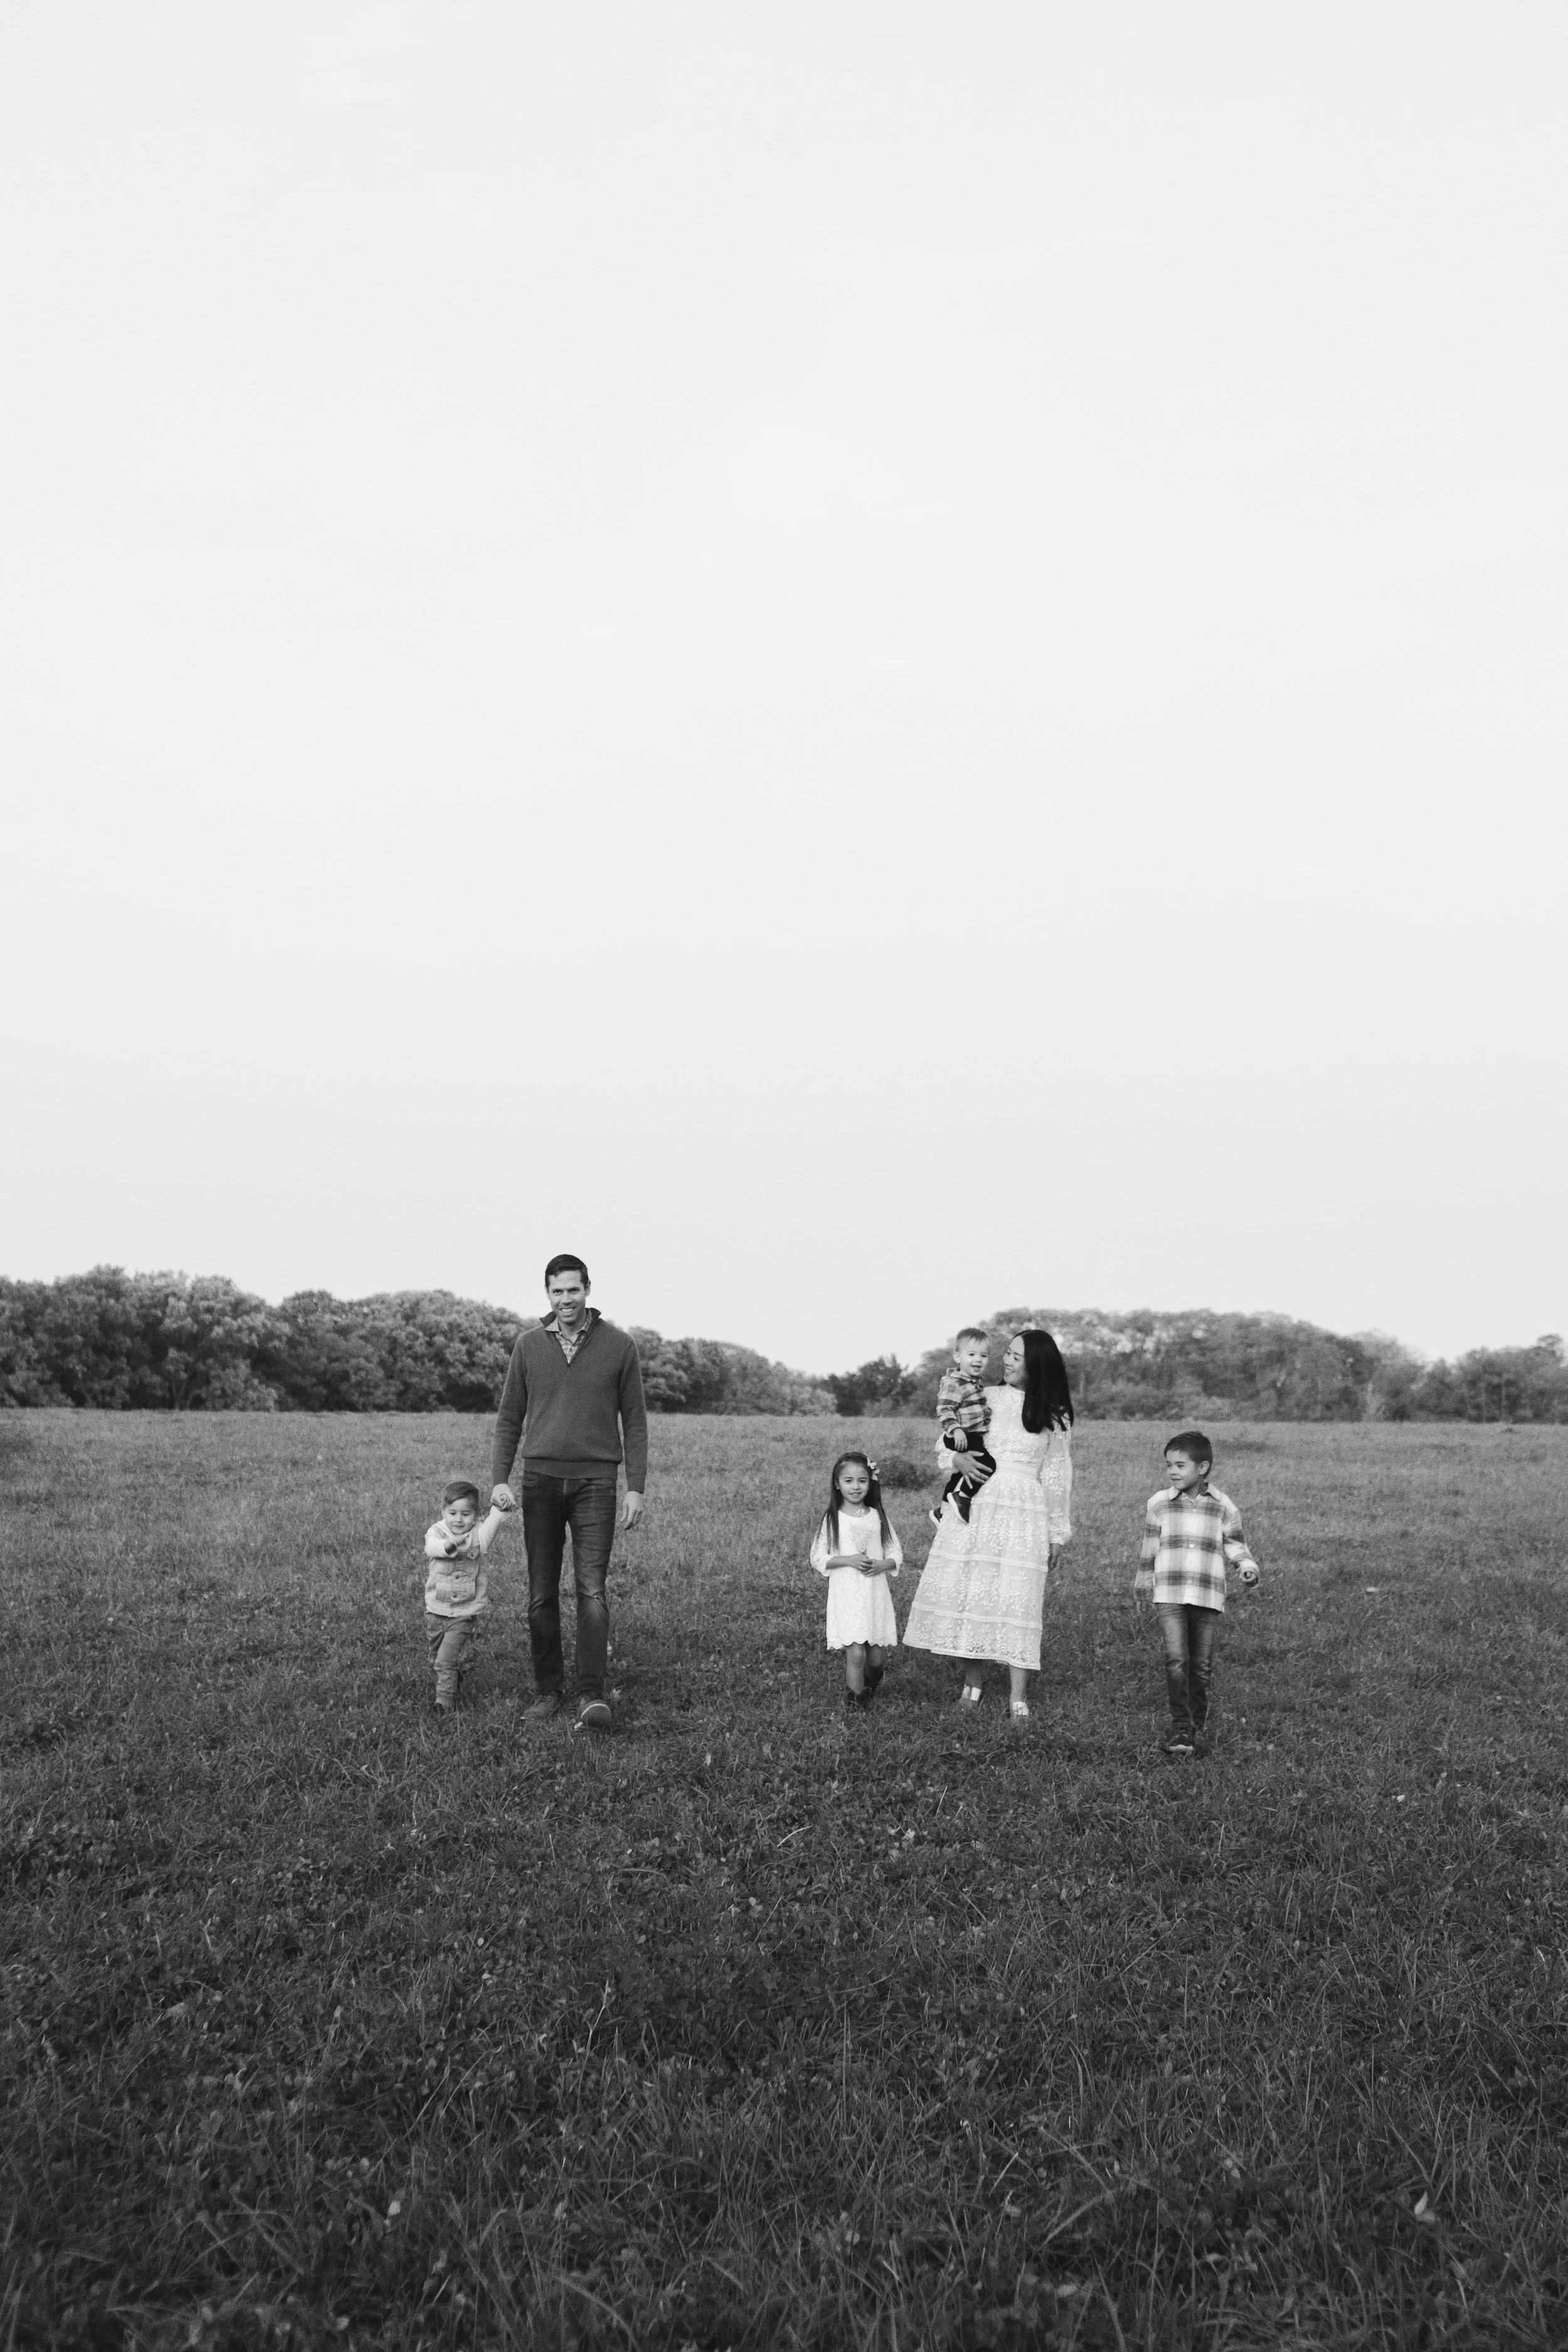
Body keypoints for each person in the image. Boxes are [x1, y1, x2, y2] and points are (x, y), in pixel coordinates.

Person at [490, 1254, 648, 1734]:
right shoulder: (528, 1346)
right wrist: (499, 1478)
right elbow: (509, 1417)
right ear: (548, 1294)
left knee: (591, 1591)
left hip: (596, 1484)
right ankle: (548, 1690)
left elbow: (635, 1421)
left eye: (573, 1290)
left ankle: (590, 1694)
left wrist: (635, 1487)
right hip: (539, 1482)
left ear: (588, 1290)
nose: (566, 1300)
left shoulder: (619, 1346)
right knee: (541, 1593)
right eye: (557, 1292)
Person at [903, 1327, 1073, 1720]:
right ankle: (973, 1685)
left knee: (1020, 1596)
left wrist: (1056, 1533)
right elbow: (945, 1441)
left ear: (1037, 1364)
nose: (1006, 1361)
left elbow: (1057, 1476)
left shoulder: (1055, 1414)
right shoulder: (986, 1395)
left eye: (1016, 1356)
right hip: (978, 1504)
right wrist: (956, 1460)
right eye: (1007, 1353)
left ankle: (1018, 1697)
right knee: (973, 1591)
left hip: (1025, 1511)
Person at [1135, 1429, 1259, 1755]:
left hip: (1207, 1593)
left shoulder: (1223, 1506)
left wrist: (1246, 1566)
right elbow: (1150, 1545)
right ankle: (1181, 1726)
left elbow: (1235, 1543)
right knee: (1176, 1659)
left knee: (1201, 1664)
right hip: (1170, 1592)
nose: (1172, 1472)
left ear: (1202, 1468)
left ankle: (1196, 1721)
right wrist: (1143, 1580)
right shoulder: (1159, 1504)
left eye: (1180, 1466)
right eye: (1168, 1465)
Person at [810, 1451, 904, 1712]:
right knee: (856, 1653)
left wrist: (883, 1564)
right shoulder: (833, 1519)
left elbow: (896, 1552)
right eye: (849, 1481)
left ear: (870, 1483)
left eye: (862, 1481)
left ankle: (870, 1684)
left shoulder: (878, 1516)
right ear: (837, 1484)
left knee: (875, 1661)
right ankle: (855, 1707)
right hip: (848, 1594)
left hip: (874, 1595)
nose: (855, 1487)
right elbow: (818, 1557)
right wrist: (848, 1560)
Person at [423, 1480, 511, 1715]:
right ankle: (454, 1681)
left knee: (444, 1661)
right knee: (436, 1659)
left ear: (476, 1515)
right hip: (435, 1611)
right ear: (443, 1511)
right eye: (453, 1513)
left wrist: (500, 1509)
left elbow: (492, 1524)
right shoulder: (436, 1532)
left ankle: (443, 1703)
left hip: (463, 1613)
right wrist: (448, 1545)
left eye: (466, 1514)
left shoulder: (479, 1535)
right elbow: (432, 1548)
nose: (459, 1520)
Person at [931, 1326, 996, 1525]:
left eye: (983, 1355)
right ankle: (963, 1497)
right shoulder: (955, 1383)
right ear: (957, 1357)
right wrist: (956, 1429)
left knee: (959, 1473)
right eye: (972, 1354)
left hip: (970, 1434)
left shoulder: (974, 1382)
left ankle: (942, 1512)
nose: (978, 1360)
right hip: (961, 1435)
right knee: (988, 1465)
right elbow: (944, 1409)